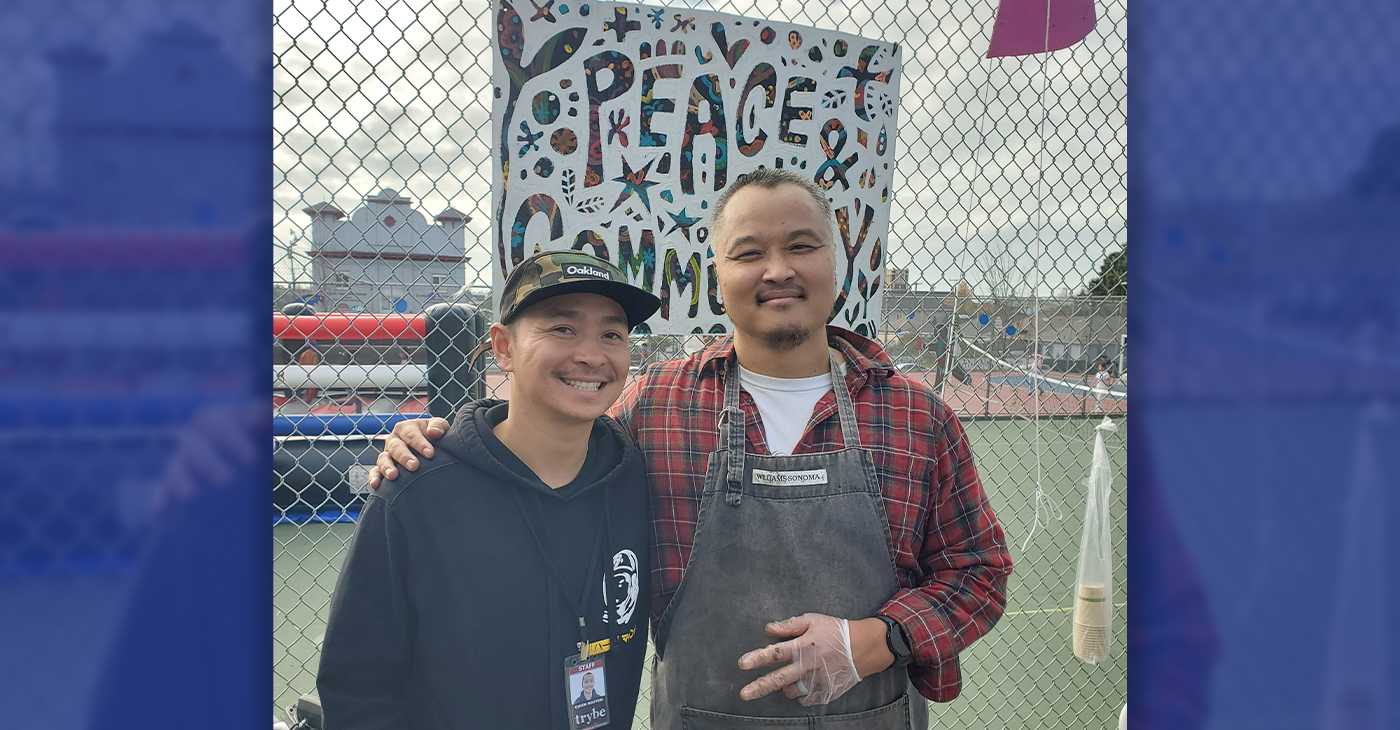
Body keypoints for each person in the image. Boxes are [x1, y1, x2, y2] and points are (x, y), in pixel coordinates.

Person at [370, 169, 1012, 728]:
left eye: (801, 245)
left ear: (836, 262)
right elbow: (546, 451)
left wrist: (873, 640)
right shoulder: (653, 407)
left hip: (874, 715)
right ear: (718, 275)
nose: (778, 269)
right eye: (748, 252)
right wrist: (453, 444)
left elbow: (979, 571)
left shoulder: (917, 417)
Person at [317, 251, 660, 730]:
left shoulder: (638, 480)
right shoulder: (417, 490)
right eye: (562, 328)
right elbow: (358, 685)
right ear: (503, 349)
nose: (592, 354)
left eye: (612, 333)